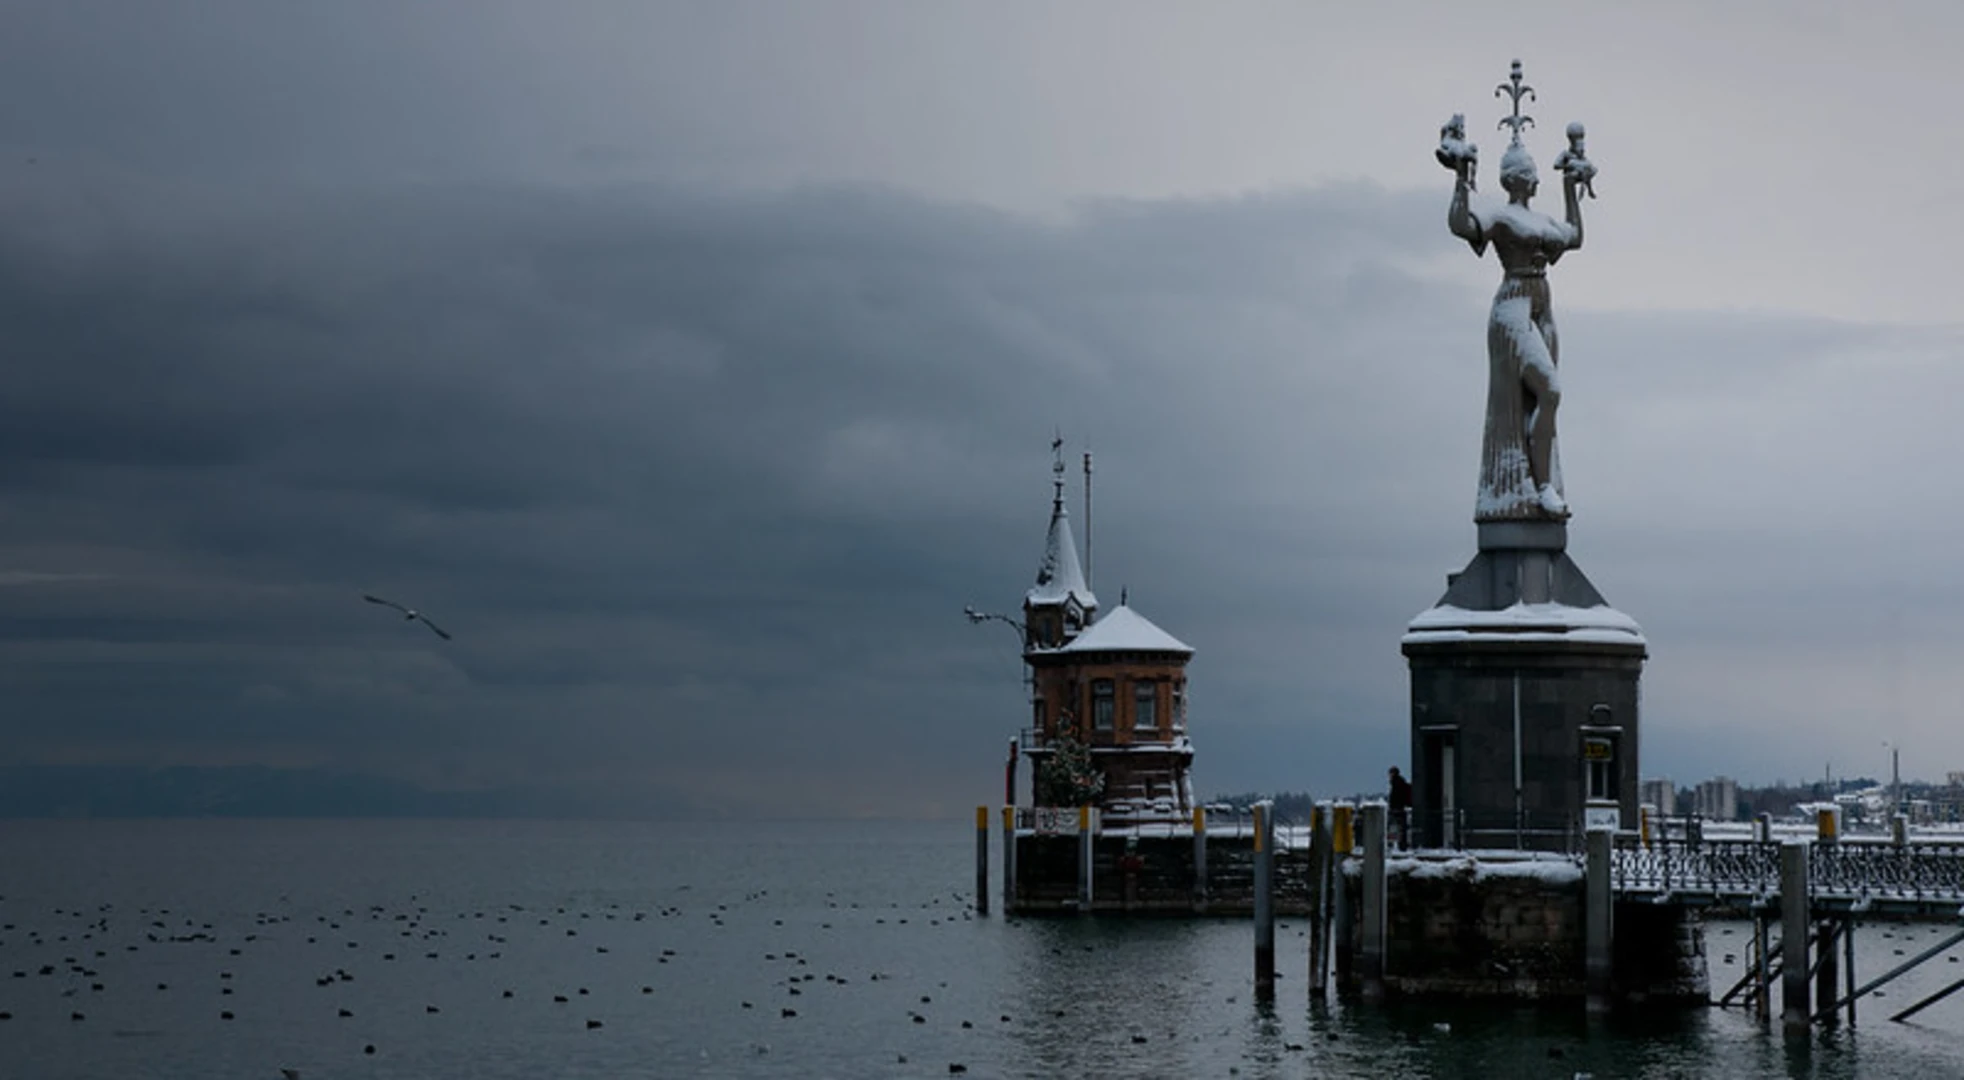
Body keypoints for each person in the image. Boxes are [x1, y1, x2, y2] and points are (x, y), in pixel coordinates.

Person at [1445, 129, 1587, 520]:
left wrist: (1570, 186)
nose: (1534, 178)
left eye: (1536, 172)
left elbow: (1574, 237)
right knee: (1550, 392)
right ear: (1513, 179)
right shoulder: (1502, 216)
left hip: (1543, 306)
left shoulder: (1541, 220)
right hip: (1514, 306)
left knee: (1537, 400)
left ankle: (1536, 480)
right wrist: (1460, 175)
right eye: (1528, 172)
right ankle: (1541, 486)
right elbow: (1462, 225)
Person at [1387, 766, 1414, 850]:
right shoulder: (1400, 782)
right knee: (1401, 828)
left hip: (1397, 808)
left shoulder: (1396, 783)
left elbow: (1396, 796)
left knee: (1394, 827)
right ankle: (1400, 845)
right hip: (1400, 808)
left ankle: (1394, 845)